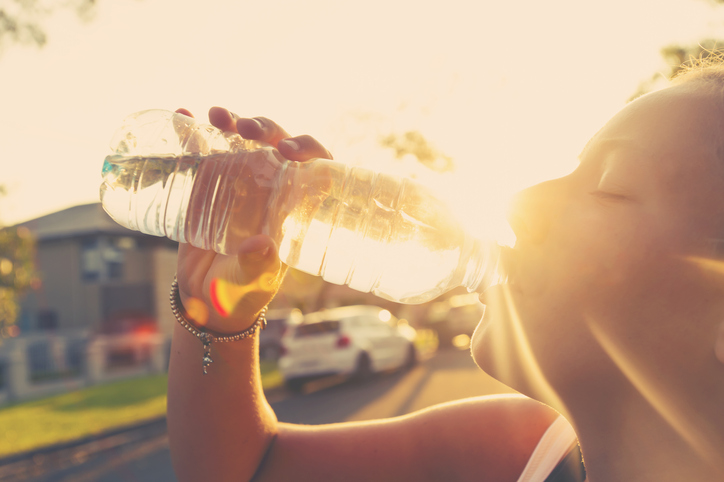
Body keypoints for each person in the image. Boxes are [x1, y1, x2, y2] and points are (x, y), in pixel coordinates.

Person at [166, 57, 724, 482]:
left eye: (611, 187)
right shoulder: (527, 448)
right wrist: (216, 315)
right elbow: (246, 467)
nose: (523, 202)